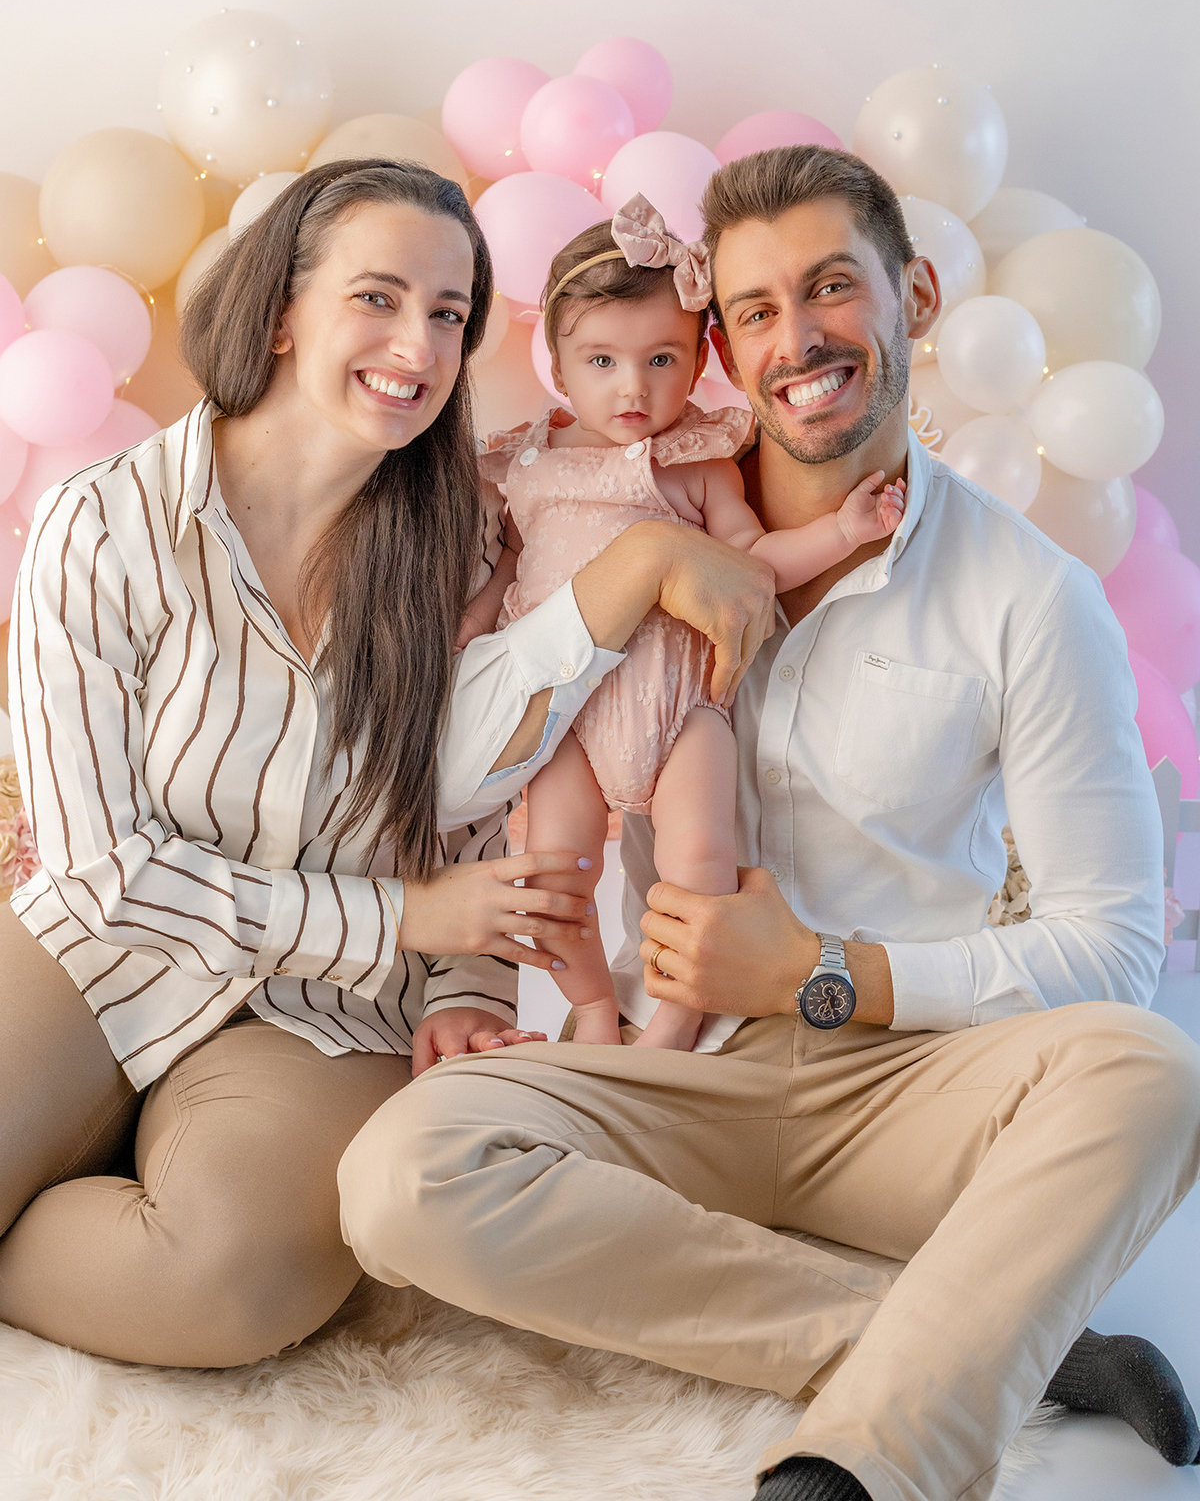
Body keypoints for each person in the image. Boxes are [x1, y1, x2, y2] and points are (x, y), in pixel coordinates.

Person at [338, 146, 1200, 1501]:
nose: (798, 339)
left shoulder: (1032, 598)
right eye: (754, 310)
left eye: (833, 289)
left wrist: (822, 975)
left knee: (1150, 1069)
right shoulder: (622, 510)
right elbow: (452, 777)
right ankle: (969, 1346)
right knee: (399, 1176)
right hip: (653, 1080)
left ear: (912, 297)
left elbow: (1112, 950)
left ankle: (863, 1464)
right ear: (721, 343)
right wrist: (638, 571)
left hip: (900, 1089)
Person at [0, 158, 776, 1368]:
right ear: (281, 312)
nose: (417, 342)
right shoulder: (104, 521)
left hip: (323, 1015)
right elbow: (102, 872)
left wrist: (464, 987)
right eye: (377, 297)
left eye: (450, 312)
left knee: (233, 1288)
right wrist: (404, 919)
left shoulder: (469, 532)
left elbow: (478, 791)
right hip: (109, 951)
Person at [471, 193, 903, 1050]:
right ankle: (591, 1005)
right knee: (555, 875)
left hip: (679, 711)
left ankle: (678, 1014)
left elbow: (753, 567)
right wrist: (471, 630)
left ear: (701, 357)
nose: (634, 387)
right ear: (558, 364)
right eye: (601, 361)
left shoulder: (696, 464)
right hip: (563, 717)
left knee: (697, 867)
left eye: (662, 359)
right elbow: (508, 571)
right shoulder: (523, 463)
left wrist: (841, 531)